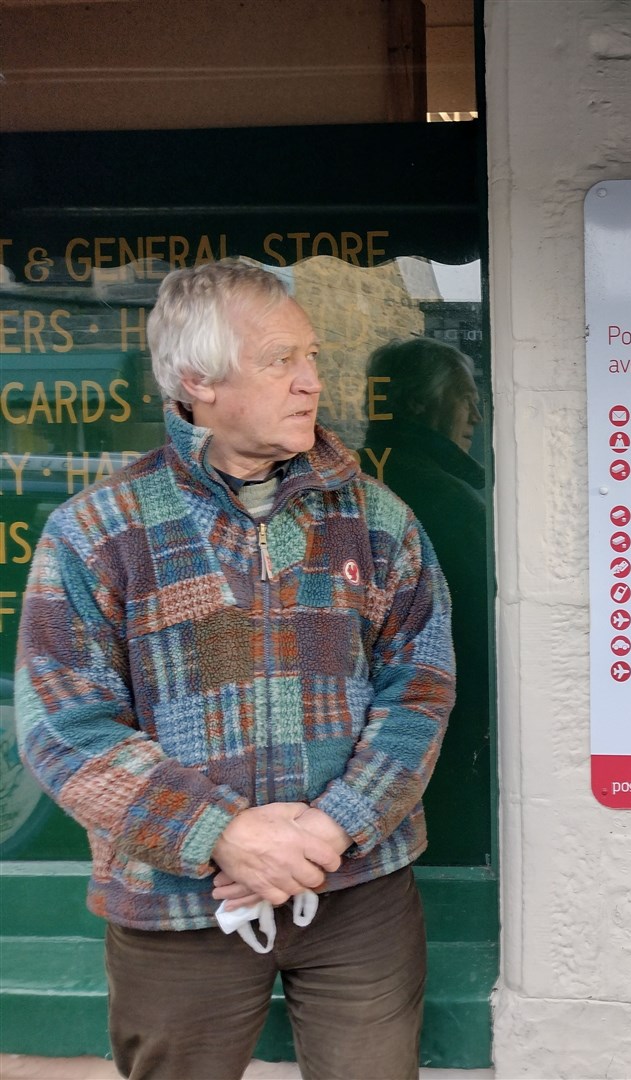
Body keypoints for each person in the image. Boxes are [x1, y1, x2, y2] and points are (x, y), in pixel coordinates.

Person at [16, 260, 455, 1080]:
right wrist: (222, 833)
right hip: (176, 904)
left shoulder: (374, 519)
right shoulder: (98, 531)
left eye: (313, 357)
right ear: (197, 381)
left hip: (357, 890)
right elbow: (64, 728)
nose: (312, 381)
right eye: (280, 359)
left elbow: (420, 686)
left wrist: (334, 826)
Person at [362, 337, 490, 864]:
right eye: (466, 396)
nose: (478, 417)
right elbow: (479, 648)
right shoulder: (446, 500)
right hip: (440, 758)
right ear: (418, 403)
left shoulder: (352, 484)